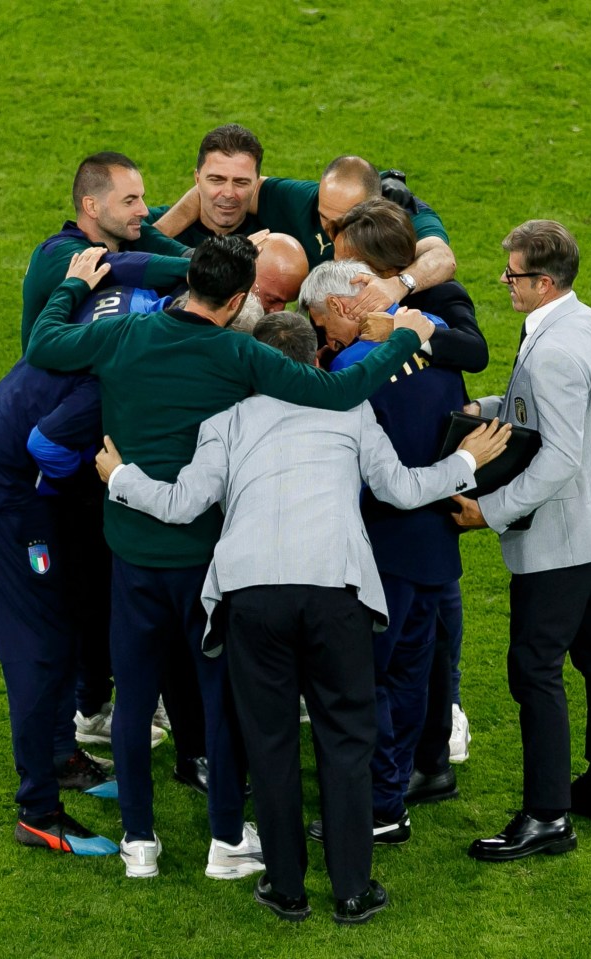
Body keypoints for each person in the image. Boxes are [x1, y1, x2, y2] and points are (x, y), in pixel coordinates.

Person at [25, 235, 439, 880]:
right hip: (205, 561)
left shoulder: (121, 337)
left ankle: (140, 844)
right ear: (241, 297)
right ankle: (224, 842)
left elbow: (44, 342)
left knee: (133, 703)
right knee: (218, 699)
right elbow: (337, 393)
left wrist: (76, 283)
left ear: (187, 280)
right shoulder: (241, 352)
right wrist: (403, 340)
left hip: (131, 551)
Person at [93, 311, 510, 923]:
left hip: (251, 596)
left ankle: (286, 887)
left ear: (253, 365)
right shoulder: (350, 411)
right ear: (316, 360)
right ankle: (351, 891)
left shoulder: (225, 422)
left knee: (270, 742)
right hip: (334, 594)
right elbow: (398, 490)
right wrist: (467, 462)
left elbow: (181, 506)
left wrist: (120, 477)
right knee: (345, 742)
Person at [453, 220, 591, 861]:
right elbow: (554, 408)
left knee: (534, 667)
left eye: (513, 274)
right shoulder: (584, 322)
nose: (505, 281)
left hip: (560, 537)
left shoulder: (552, 349)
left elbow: (556, 457)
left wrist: (489, 511)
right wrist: (491, 405)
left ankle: (548, 815)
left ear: (543, 281)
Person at [298, 259, 468, 846]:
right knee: (411, 679)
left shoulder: (351, 371)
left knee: (362, 684)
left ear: (343, 307)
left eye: (323, 325)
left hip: (376, 553)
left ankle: (372, 804)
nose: (325, 339)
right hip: (436, 548)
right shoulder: (441, 343)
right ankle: (390, 805)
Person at [330, 197, 489, 802]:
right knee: (415, 657)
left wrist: (403, 329)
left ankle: (403, 778)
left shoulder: (432, 311)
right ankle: (413, 773)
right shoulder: (413, 329)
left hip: (408, 527)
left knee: (410, 658)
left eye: (352, 271)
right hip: (426, 525)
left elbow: (472, 351)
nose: (344, 284)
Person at [0, 359, 120, 857]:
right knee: (35, 647)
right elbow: (45, 445)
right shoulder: (113, 377)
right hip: (2, 495)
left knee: (61, 621)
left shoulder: (130, 323)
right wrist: (80, 481)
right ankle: (38, 812)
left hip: (21, 484)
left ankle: (61, 755)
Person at [158, 153, 456, 314]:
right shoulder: (306, 199)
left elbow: (442, 258)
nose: (329, 229)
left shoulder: (401, 215)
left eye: (342, 221)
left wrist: (398, 285)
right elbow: (220, 190)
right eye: (323, 216)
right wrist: (155, 235)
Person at [20, 151, 192, 352]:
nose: (143, 211)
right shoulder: (56, 255)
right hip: (55, 381)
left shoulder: (129, 231)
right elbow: (114, 268)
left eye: (141, 198)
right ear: (92, 206)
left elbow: (181, 239)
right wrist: (196, 269)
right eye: (130, 201)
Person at [149, 124, 265, 246]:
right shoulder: (151, 222)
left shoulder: (276, 232)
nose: (228, 193)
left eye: (240, 182)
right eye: (217, 180)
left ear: (257, 184)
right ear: (197, 179)